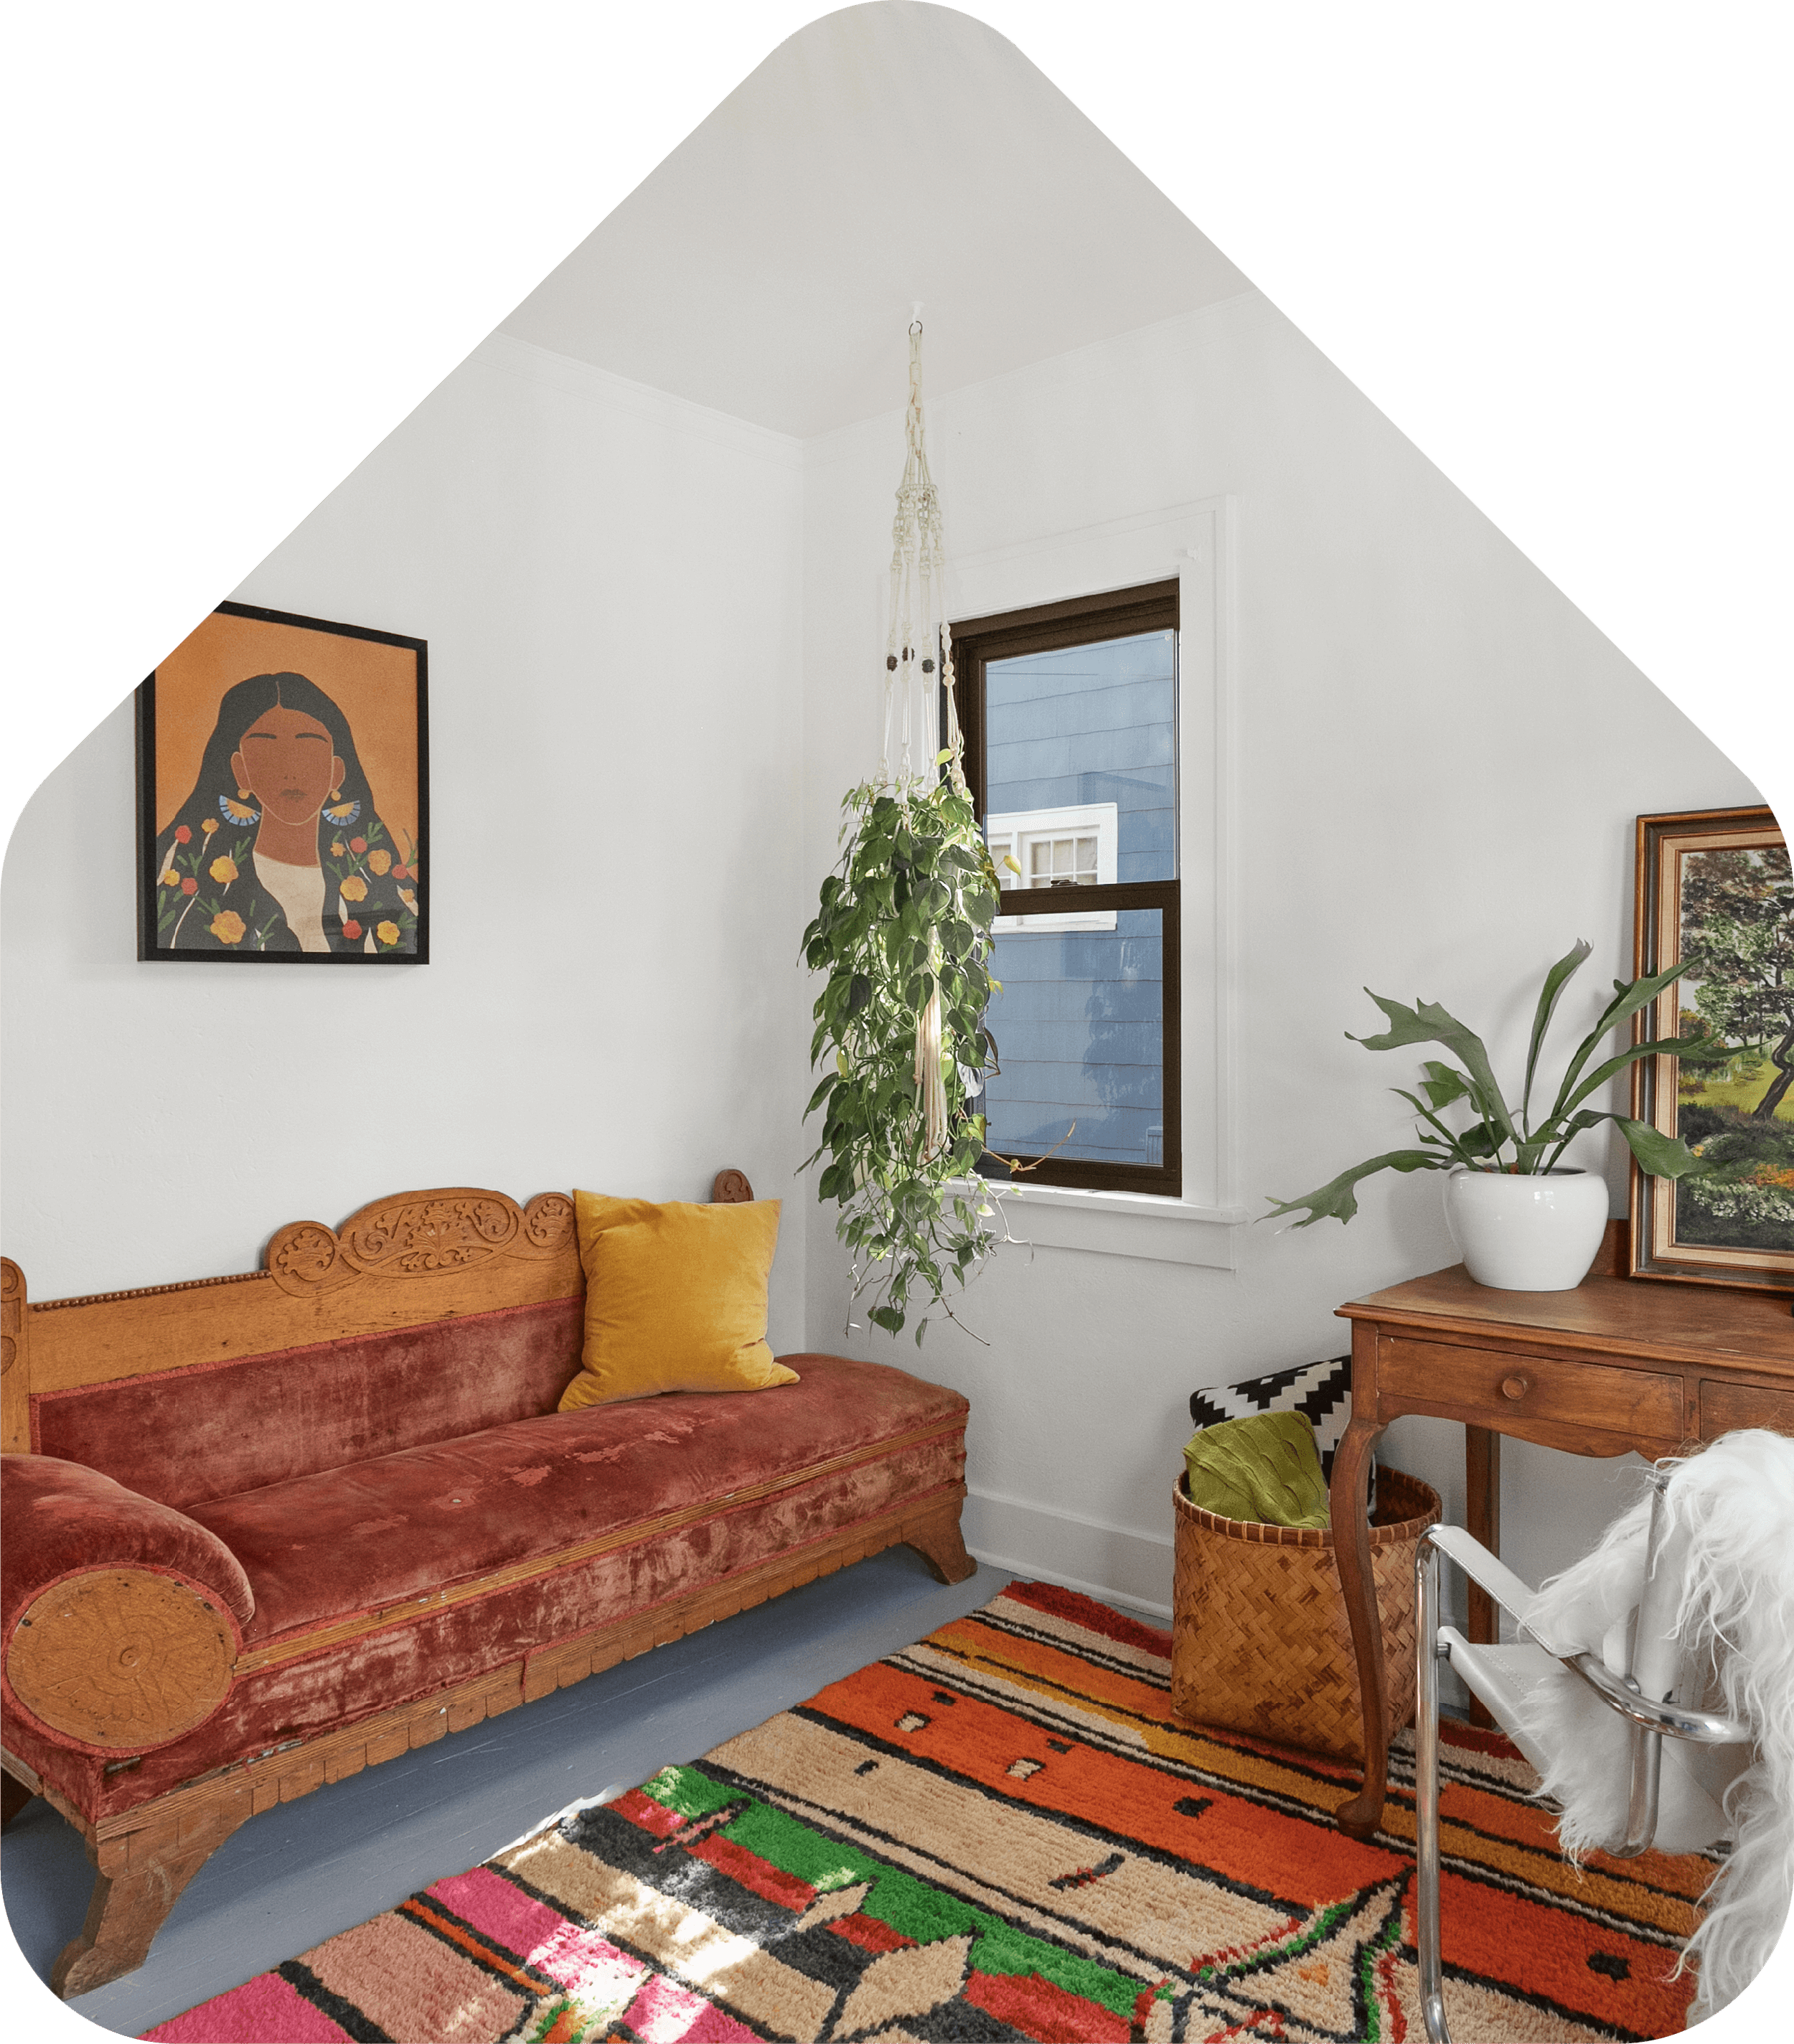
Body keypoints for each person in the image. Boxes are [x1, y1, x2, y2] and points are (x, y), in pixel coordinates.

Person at [153, 672, 420, 955]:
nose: (290, 772)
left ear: (337, 772)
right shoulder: (193, 882)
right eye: (268, 751)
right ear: (240, 770)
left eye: (309, 749)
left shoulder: (378, 887)